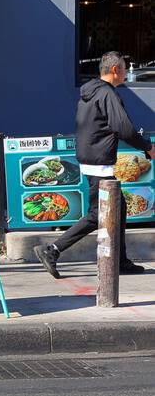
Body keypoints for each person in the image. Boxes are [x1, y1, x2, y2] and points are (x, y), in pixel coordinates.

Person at [35, 51, 151, 278]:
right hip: (100, 163)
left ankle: (120, 261)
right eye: (124, 68)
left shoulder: (89, 93)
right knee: (98, 213)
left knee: (118, 208)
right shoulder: (107, 94)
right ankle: (52, 250)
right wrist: (147, 147)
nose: (127, 73)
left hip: (90, 160)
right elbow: (124, 128)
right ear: (115, 70)